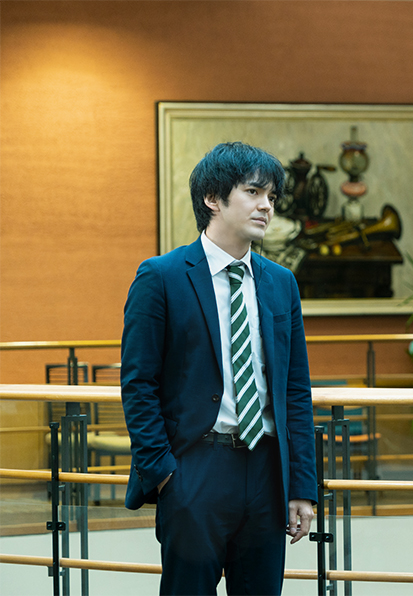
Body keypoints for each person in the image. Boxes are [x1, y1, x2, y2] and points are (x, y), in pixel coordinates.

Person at [121, 141, 317, 595]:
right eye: (253, 192)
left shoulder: (281, 283)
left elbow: (295, 391)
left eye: (271, 196)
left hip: (266, 470)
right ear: (213, 198)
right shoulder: (161, 277)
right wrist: (165, 473)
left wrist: (301, 486)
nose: (266, 206)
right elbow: (138, 383)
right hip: (194, 469)